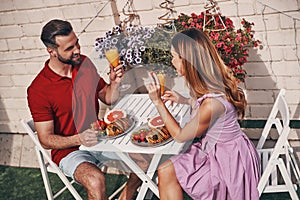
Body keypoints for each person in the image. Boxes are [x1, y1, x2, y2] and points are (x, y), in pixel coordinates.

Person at [27, 19, 143, 200]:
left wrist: (114, 83)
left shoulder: (84, 64)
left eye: (77, 43)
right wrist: (78, 138)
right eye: (69, 48)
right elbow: (45, 140)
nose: (78, 50)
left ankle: (126, 196)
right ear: (52, 52)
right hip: (70, 150)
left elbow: (107, 97)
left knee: (146, 155)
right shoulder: (38, 90)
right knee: (95, 181)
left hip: (100, 137)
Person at [147, 28, 260, 200]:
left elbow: (180, 136)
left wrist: (158, 103)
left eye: (174, 56)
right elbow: (213, 113)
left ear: (186, 61)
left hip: (229, 165)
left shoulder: (211, 104)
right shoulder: (212, 84)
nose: (172, 61)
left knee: (168, 169)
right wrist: (185, 100)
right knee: (165, 169)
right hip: (222, 150)